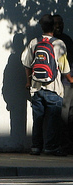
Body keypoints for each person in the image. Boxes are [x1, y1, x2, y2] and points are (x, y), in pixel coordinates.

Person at [22, 14, 73, 156]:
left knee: (38, 119)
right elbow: (64, 68)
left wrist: (28, 81)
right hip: (53, 88)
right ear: (53, 27)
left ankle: (35, 147)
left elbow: (26, 63)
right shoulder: (59, 44)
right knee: (53, 120)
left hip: (36, 88)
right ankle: (50, 147)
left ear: (42, 27)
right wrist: (70, 79)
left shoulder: (34, 42)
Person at [53, 14, 73, 154]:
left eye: (61, 23)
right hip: (62, 82)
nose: (59, 26)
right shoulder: (56, 41)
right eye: (56, 23)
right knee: (63, 115)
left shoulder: (65, 40)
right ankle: (63, 144)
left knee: (67, 115)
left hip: (66, 82)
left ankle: (66, 144)